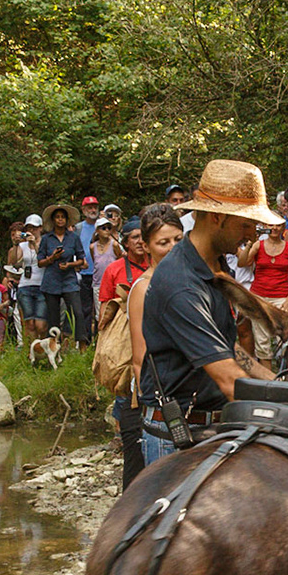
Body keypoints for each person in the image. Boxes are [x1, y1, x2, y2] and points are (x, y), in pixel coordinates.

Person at [138, 161, 284, 465]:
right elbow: (229, 379)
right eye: (245, 224)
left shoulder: (216, 265)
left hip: (211, 426)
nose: (250, 236)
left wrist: (280, 385)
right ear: (217, 217)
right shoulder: (180, 285)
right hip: (177, 435)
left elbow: (226, 349)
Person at [116, 204, 185, 487]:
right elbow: (140, 358)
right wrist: (150, 413)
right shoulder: (144, 288)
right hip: (159, 406)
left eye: (178, 240)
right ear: (145, 246)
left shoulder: (188, 278)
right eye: (163, 242)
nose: (172, 248)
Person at [37, 203, 85, 345]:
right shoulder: (46, 239)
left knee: (78, 312)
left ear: (66, 220)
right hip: (51, 280)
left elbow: (82, 260)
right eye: (57, 217)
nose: (60, 220)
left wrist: (70, 264)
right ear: (53, 220)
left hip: (69, 279)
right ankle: (53, 347)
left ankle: (82, 344)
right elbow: (39, 262)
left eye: (62, 217)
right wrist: (52, 258)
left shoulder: (73, 238)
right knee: (53, 317)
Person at [98, 218, 149, 332]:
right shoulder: (113, 269)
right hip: (122, 327)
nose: (140, 241)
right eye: (135, 237)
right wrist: (103, 332)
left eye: (143, 237)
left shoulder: (156, 266)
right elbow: (105, 303)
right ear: (126, 242)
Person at [8, 215, 46, 338]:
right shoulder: (23, 246)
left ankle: (43, 348)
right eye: (29, 228)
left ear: (40, 228)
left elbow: (44, 259)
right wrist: (15, 245)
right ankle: (32, 352)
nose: (32, 230)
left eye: (34, 228)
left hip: (42, 285)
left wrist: (34, 243)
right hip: (25, 285)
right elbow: (14, 262)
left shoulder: (46, 242)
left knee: (41, 324)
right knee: (29, 323)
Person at [250, 216, 288, 311]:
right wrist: (250, 243)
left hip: (281, 296)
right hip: (258, 294)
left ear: (283, 227)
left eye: (278, 225)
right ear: (265, 226)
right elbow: (243, 263)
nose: (274, 228)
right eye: (271, 225)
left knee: (286, 322)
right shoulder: (258, 245)